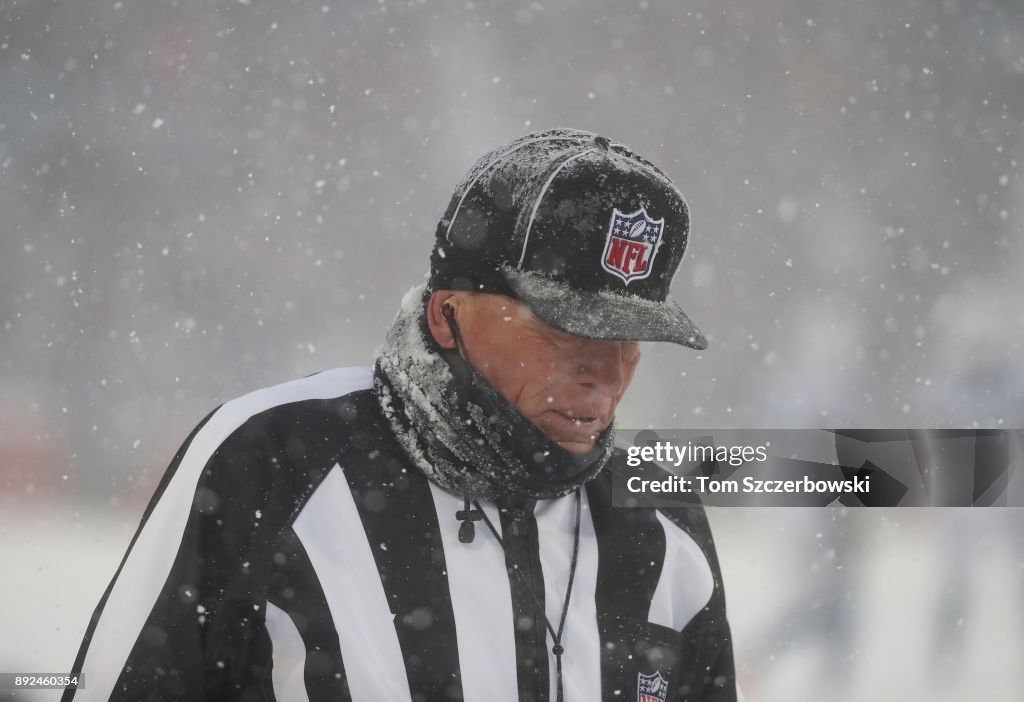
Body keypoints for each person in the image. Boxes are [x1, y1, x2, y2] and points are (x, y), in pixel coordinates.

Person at [64, 128, 738, 702]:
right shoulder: (270, 458)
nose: (606, 378)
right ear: (449, 316)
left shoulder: (660, 511)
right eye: (565, 335)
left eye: (628, 342)